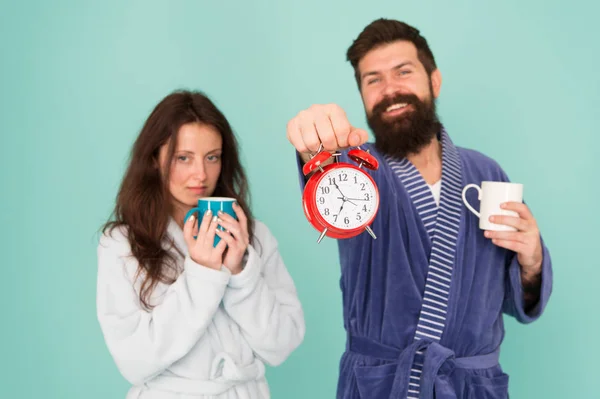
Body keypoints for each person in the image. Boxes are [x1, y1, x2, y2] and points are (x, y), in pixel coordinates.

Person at [286, 19, 552, 399]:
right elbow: (325, 188)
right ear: (361, 95)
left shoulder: (486, 175)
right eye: (372, 80)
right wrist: (312, 142)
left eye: (403, 72)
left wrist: (533, 262)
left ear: (434, 81)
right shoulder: (354, 173)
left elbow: (511, 301)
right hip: (380, 386)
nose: (390, 89)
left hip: (471, 388)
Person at [97, 90, 305, 399]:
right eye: (184, 158)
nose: (201, 174)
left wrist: (240, 273)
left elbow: (282, 345)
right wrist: (203, 273)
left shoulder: (254, 236)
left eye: (212, 157)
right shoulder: (122, 245)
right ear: (155, 158)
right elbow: (134, 361)